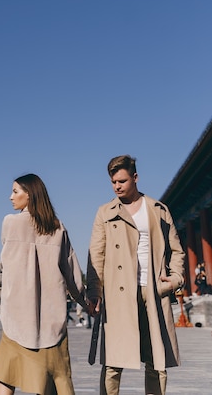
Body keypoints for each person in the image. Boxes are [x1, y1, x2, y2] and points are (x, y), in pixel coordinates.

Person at [87, 155, 185, 395]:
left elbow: (177, 251)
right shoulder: (105, 212)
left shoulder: (158, 210)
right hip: (119, 294)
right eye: (113, 182)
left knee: (157, 362)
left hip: (153, 291)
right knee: (112, 362)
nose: (117, 186)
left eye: (122, 180)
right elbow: (96, 255)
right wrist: (94, 291)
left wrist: (175, 279)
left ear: (135, 177)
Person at [0, 173, 87, 395]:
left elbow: (7, 261)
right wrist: (84, 300)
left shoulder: (10, 223)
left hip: (17, 315)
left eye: (15, 192)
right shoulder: (58, 228)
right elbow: (71, 272)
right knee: (53, 377)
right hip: (51, 318)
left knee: (7, 374)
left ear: (29, 195)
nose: (10, 197)